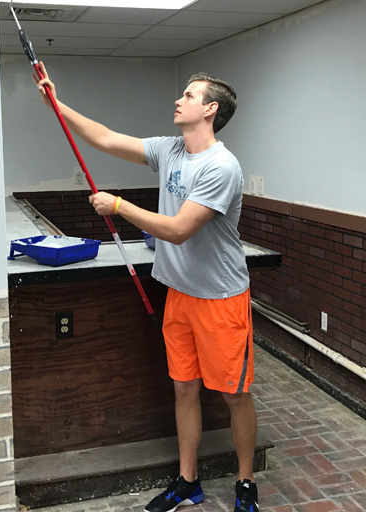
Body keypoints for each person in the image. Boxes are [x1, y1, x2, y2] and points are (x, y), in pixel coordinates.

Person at [34, 62, 257, 512]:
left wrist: (118, 206)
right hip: (179, 293)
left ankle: (246, 482)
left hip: (220, 299)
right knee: (184, 389)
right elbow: (105, 138)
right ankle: (187, 481)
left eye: (189, 95)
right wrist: (57, 105)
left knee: (234, 395)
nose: (179, 99)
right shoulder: (170, 149)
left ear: (210, 109)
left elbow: (178, 230)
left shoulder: (221, 167)